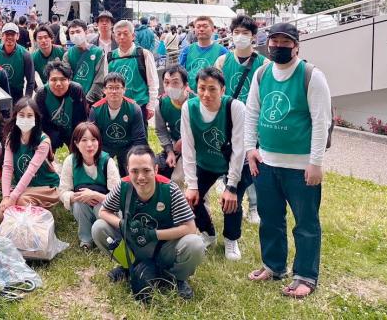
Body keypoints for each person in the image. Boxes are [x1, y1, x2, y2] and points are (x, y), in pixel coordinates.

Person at [245, 23, 332, 299]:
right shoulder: (262, 74)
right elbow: (251, 112)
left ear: (296, 46)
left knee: (305, 222)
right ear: (267, 44)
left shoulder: (311, 76)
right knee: (270, 218)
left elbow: (321, 121)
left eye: (285, 42)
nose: (279, 46)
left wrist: (315, 162)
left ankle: (305, 275)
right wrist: (250, 148)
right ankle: (273, 265)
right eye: (274, 41)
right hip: (267, 162)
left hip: (300, 165)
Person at [92, 145, 205, 300]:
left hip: (163, 247)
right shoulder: (123, 186)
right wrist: (121, 224)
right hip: (133, 242)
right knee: (99, 228)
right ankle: (129, 267)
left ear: (156, 169)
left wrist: (154, 234)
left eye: (146, 170)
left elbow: (191, 228)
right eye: (134, 171)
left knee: (195, 244)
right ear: (127, 170)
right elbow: (103, 212)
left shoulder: (170, 189)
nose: (140, 177)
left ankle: (175, 278)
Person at [181, 67, 249, 262]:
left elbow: (238, 148)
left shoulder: (235, 107)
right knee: (191, 198)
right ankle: (207, 232)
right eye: (202, 88)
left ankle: (231, 238)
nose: (206, 94)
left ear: (222, 89)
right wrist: (191, 184)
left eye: (212, 89)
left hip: (234, 163)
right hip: (206, 162)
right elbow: (188, 148)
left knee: (231, 201)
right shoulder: (189, 108)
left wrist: (232, 185)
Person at [214, 14, 267, 224]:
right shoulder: (223, 60)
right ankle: (234, 203)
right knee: (232, 160)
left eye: (245, 33)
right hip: (230, 121)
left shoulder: (264, 64)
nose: (240, 37)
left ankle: (254, 206)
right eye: (236, 33)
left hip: (254, 123)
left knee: (253, 165)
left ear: (253, 36)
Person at [59, 122, 120, 250]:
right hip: (82, 204)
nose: (89, 145)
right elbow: (63, 191)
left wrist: (95, 196)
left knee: (100, 209)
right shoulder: (70, 161)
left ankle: (107, 236)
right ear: (76, 143)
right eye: (84, 140)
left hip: (104, 204)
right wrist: (78, 196)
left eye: (93, 139)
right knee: (78, 205)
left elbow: (118, 196)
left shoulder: (107, 161)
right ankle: (86, 240)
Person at [0, 97, 60, 220]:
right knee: (0, 215)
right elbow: (8, 168)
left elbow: (31, 171)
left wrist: (13, 197)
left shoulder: (43, 141)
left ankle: (42, 217)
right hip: (24, 187)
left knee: (20, 201)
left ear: (36, 118)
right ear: (15, 116)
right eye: (22, 115)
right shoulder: (11, 138)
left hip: (45, 186)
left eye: (30, 116)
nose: (25, 119)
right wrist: (6, 197)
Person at [88, 72, 147, 176]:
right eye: (110, 87)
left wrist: (137, 160)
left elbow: (140, 139)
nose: (114, 91)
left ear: (124, 90)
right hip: (105, 146)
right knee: (102, 174)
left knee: (131, 175)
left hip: (127, 147)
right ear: (104, 90)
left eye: (118, 87)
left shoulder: (134, 108)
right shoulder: (95, 109)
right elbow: (92, 137)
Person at [107, 20, 159, 130]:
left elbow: (153, 82)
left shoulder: (143, 54)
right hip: (117, 105)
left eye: (125, 33)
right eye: (118, 34)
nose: (122, 37)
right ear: (115, 37)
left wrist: (151, 106)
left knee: (140, 140)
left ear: (133, 35)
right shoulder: (110, 56)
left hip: (140, 105)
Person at [35, 59, 87, 152]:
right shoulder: (42, 94)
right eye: (53, 80)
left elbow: (81, 120)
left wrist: (74, 145)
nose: (58, 84)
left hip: (73, 135)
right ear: (47, 80)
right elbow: (42, 124)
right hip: (52, 138)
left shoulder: (76, 90)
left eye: (63, 79)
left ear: (69, 80)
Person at [154, 65, 190, 183]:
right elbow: (161, 130)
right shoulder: (161, 104)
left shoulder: (196, 102)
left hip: (197, 145)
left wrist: (185, 139)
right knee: (175, 178)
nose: (170, 87)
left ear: (185, 85)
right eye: (166, 82)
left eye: (175, 82)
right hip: (175, 145)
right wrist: (169, 151)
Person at [64, 19, 106, 104]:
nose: (75, 35)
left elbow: (99, 80)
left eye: (78, 31)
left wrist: (87, 101)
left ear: (86, 32)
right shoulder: (68, 55)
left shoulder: (98, 52)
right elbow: (67, 79)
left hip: (93, 102)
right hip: (73, 100)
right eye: (72, 33)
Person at [0, 23, 35, 102]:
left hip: (17, 93)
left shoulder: (25, 54)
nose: (10, 37)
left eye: (13, 34)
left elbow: (31, 81)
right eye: (7, 34)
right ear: (2, 36)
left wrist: (26, 100)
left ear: (17, 36)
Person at [179, 16, 229, 81]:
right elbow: (180, 73)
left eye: (205, 26)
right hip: (190, 90)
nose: (201, 29)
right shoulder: (187, 50)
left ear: (213, 29)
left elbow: (227, 75)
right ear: (194, 30)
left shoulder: (222, 51)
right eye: (198, 27)